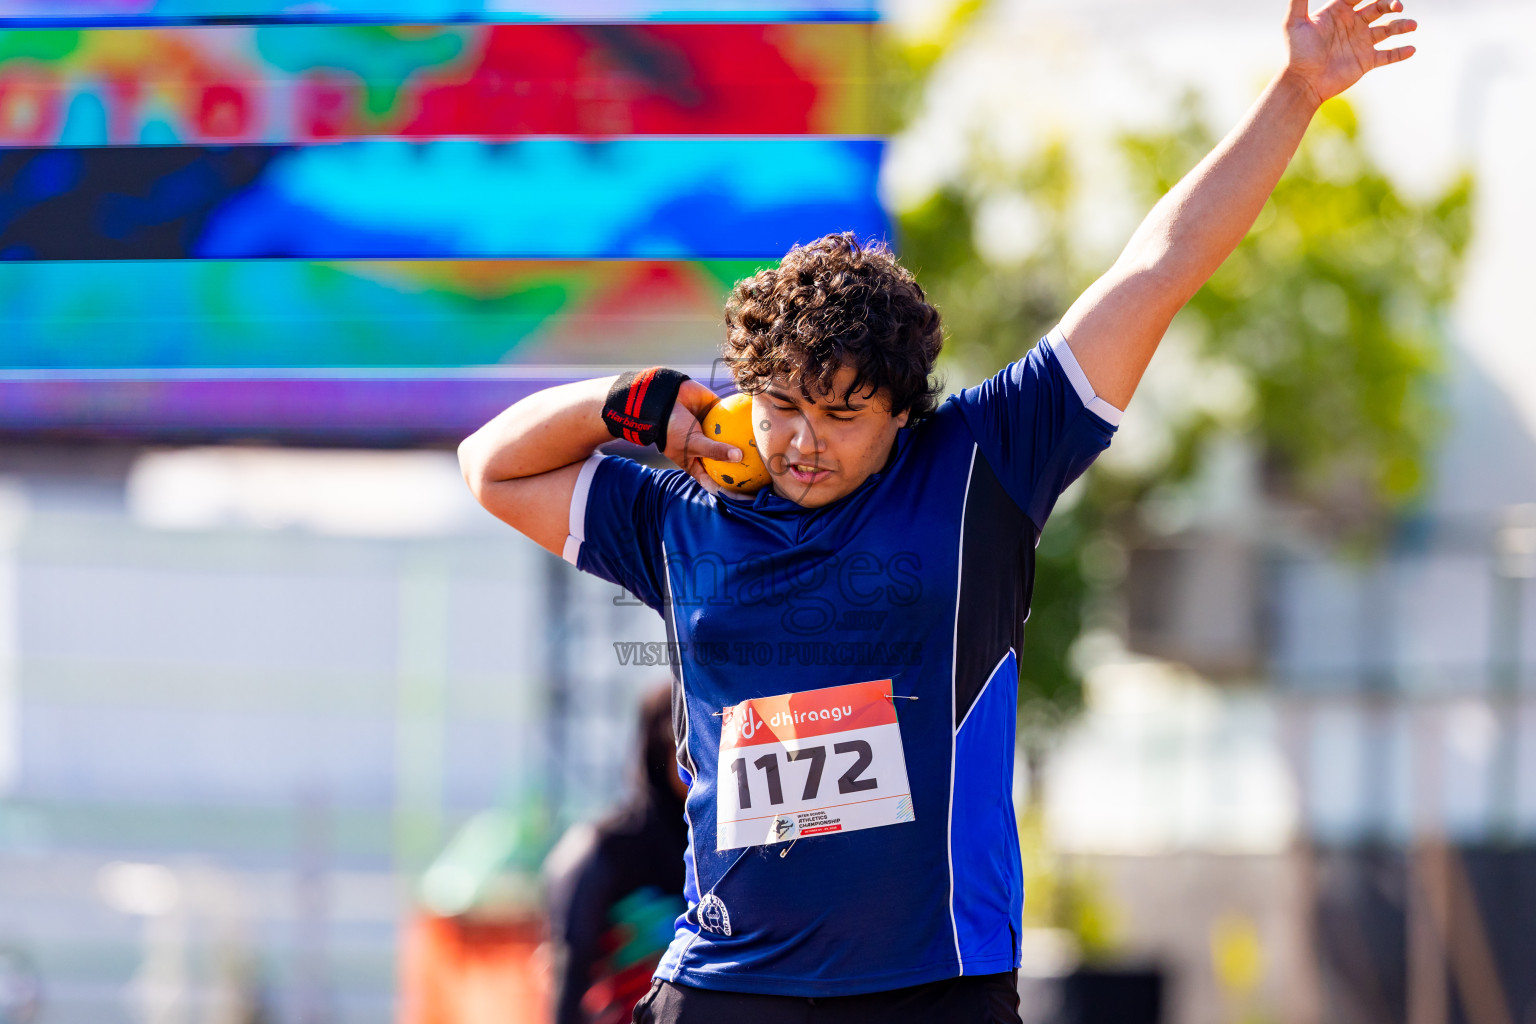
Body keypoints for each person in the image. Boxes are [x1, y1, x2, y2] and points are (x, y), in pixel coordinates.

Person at [458, 2, 1416, 1020]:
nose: (803, 442)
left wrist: (1296, 93)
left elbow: (1159, 266)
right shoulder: (684, 515)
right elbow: (493, 467)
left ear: (901, 413)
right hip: (726, 990)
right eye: (781, 405)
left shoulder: (978, 465)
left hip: (930, 988)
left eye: (840, 413)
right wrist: (623, 404)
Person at [543, 686, 690, 1024]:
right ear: (659, 751)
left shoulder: (732, 849)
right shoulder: (601, 849)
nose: (699, 765)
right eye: (685, 749)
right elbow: (570, 973)